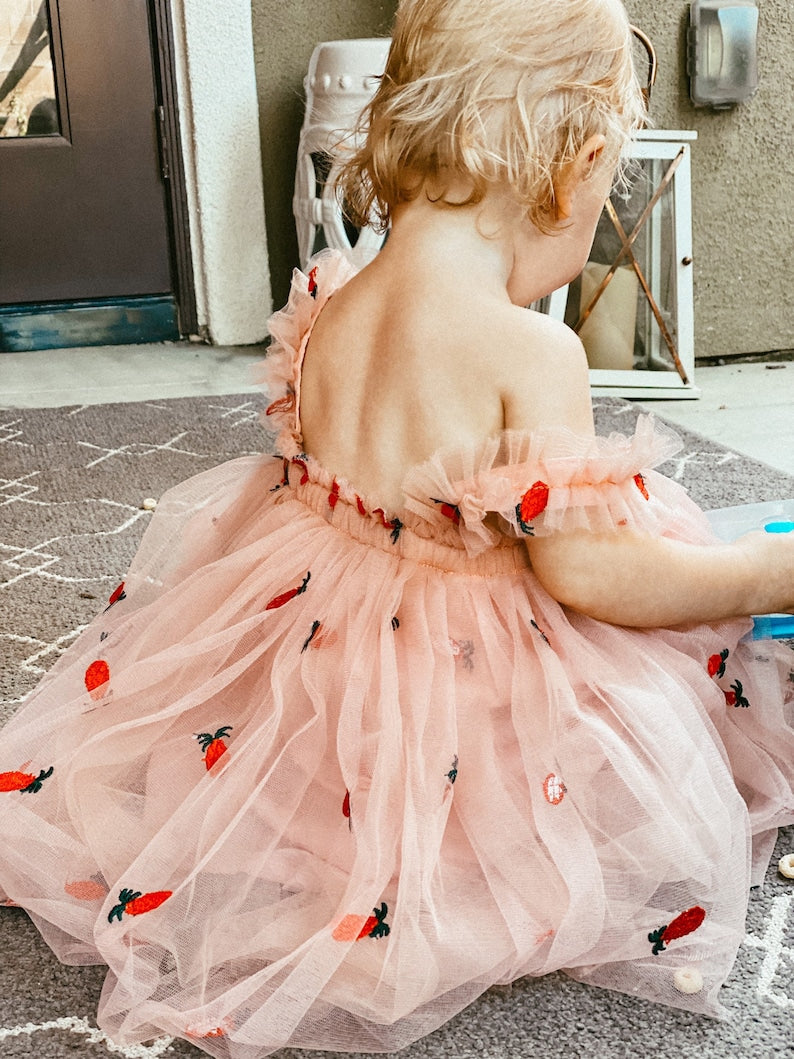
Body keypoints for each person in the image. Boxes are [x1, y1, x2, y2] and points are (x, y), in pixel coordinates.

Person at [1, 0, 792, 1055]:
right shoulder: (527, 351)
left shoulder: (328, 298)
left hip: (315, 647)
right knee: (682, 644)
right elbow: (594, 575)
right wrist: (760, 570)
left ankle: (305, 839)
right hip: (456, 684)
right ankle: (418, 882)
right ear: (576, 168)